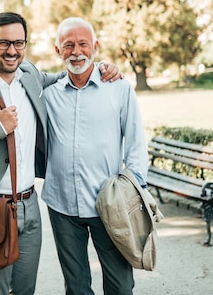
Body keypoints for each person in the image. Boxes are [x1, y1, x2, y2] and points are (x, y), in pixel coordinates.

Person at [0, 12, 121, 295]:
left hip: (29, 204)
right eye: (4, 43)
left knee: (25, 290)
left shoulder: (31, 75)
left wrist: (104, 68)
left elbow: (69, 73)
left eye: (18, 43)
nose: (12, 51)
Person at [41, 17, 149, 295]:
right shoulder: (47, 94)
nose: (76, 51)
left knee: (120, 286)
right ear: (58, 51)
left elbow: (136, 143)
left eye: (83, 44)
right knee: (76, 288)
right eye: (68, 45)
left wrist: (131, 190)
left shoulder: (120, 88)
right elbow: (13, 76)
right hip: (62, 203)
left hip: (110, 205)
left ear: (95, 47)